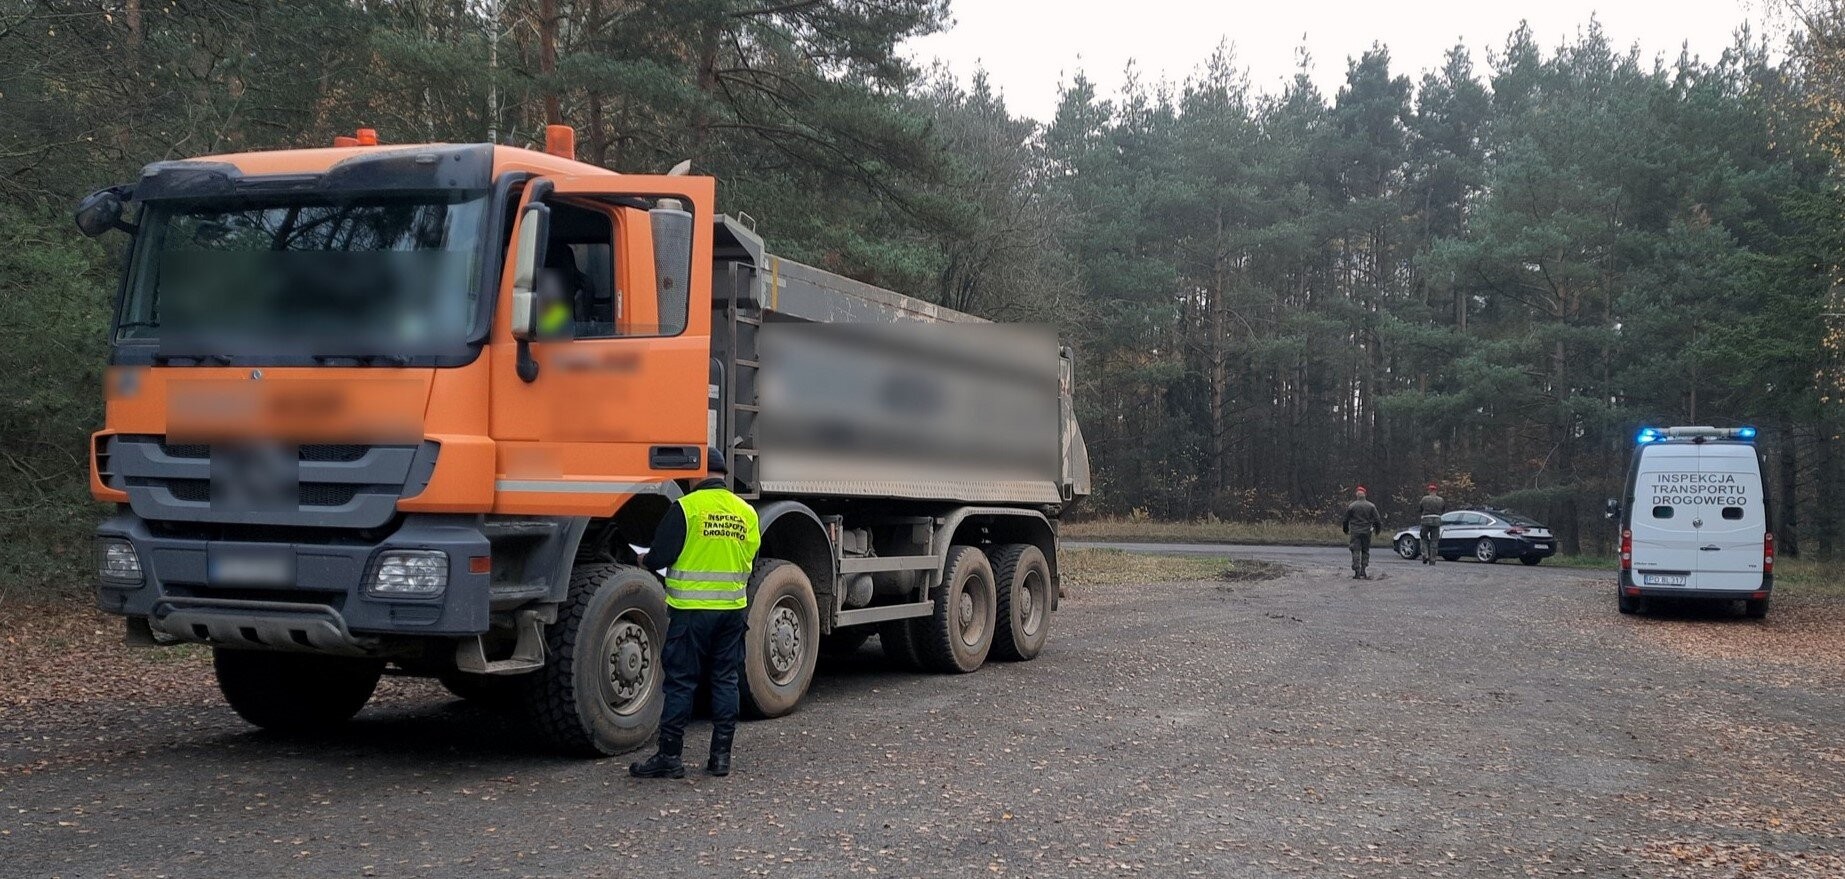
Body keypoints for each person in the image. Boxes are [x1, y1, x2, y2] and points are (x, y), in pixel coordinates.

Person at [630, 449, 760, 779]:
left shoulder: (687, 509)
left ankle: (670, 757)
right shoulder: (746, 513)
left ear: (697, 474)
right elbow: (750, 558)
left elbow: (660, 556)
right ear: (724, 475)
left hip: (691, 614)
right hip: (731, 611)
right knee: (725, 679)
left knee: (681, 683)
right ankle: (720, 758)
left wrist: (644, 560)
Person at [1340, 486, 1384, 580]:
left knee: (1355, 550)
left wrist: (1346, 529)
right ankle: (1363, 570)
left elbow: (1345, 520)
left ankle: (1357, 571)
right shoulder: (1371, 506)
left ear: (1357, 495)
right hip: (1367, 532)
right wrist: (1377, 531)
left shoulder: (1352, 506)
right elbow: (1377, 520)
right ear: (1365, 495)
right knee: (1365, 551)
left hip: (1355, 532)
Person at [1417, 483, 1446, 566]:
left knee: (1423, 538)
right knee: (1434, 541)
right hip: (1436, 521)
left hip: (1425, 521)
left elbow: (1420, 509)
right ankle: (1432, 559)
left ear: (1429, 490)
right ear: (1436, 491)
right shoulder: (1441, 500)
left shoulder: (1424, 499)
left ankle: (1425, 555)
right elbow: (1443, 510)